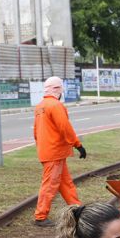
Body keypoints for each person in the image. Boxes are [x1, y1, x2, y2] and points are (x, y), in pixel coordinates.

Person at [33, 76, 87, 227]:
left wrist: (42, 147)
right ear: (57, 89)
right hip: (54, 151)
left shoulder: (40, 106)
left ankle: (77, 208)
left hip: (49, 150)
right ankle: (40, 216)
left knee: (65, 183)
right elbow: (65, 127)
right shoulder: (55, 106)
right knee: (50, 184)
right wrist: (78, 145)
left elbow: (36, 132)